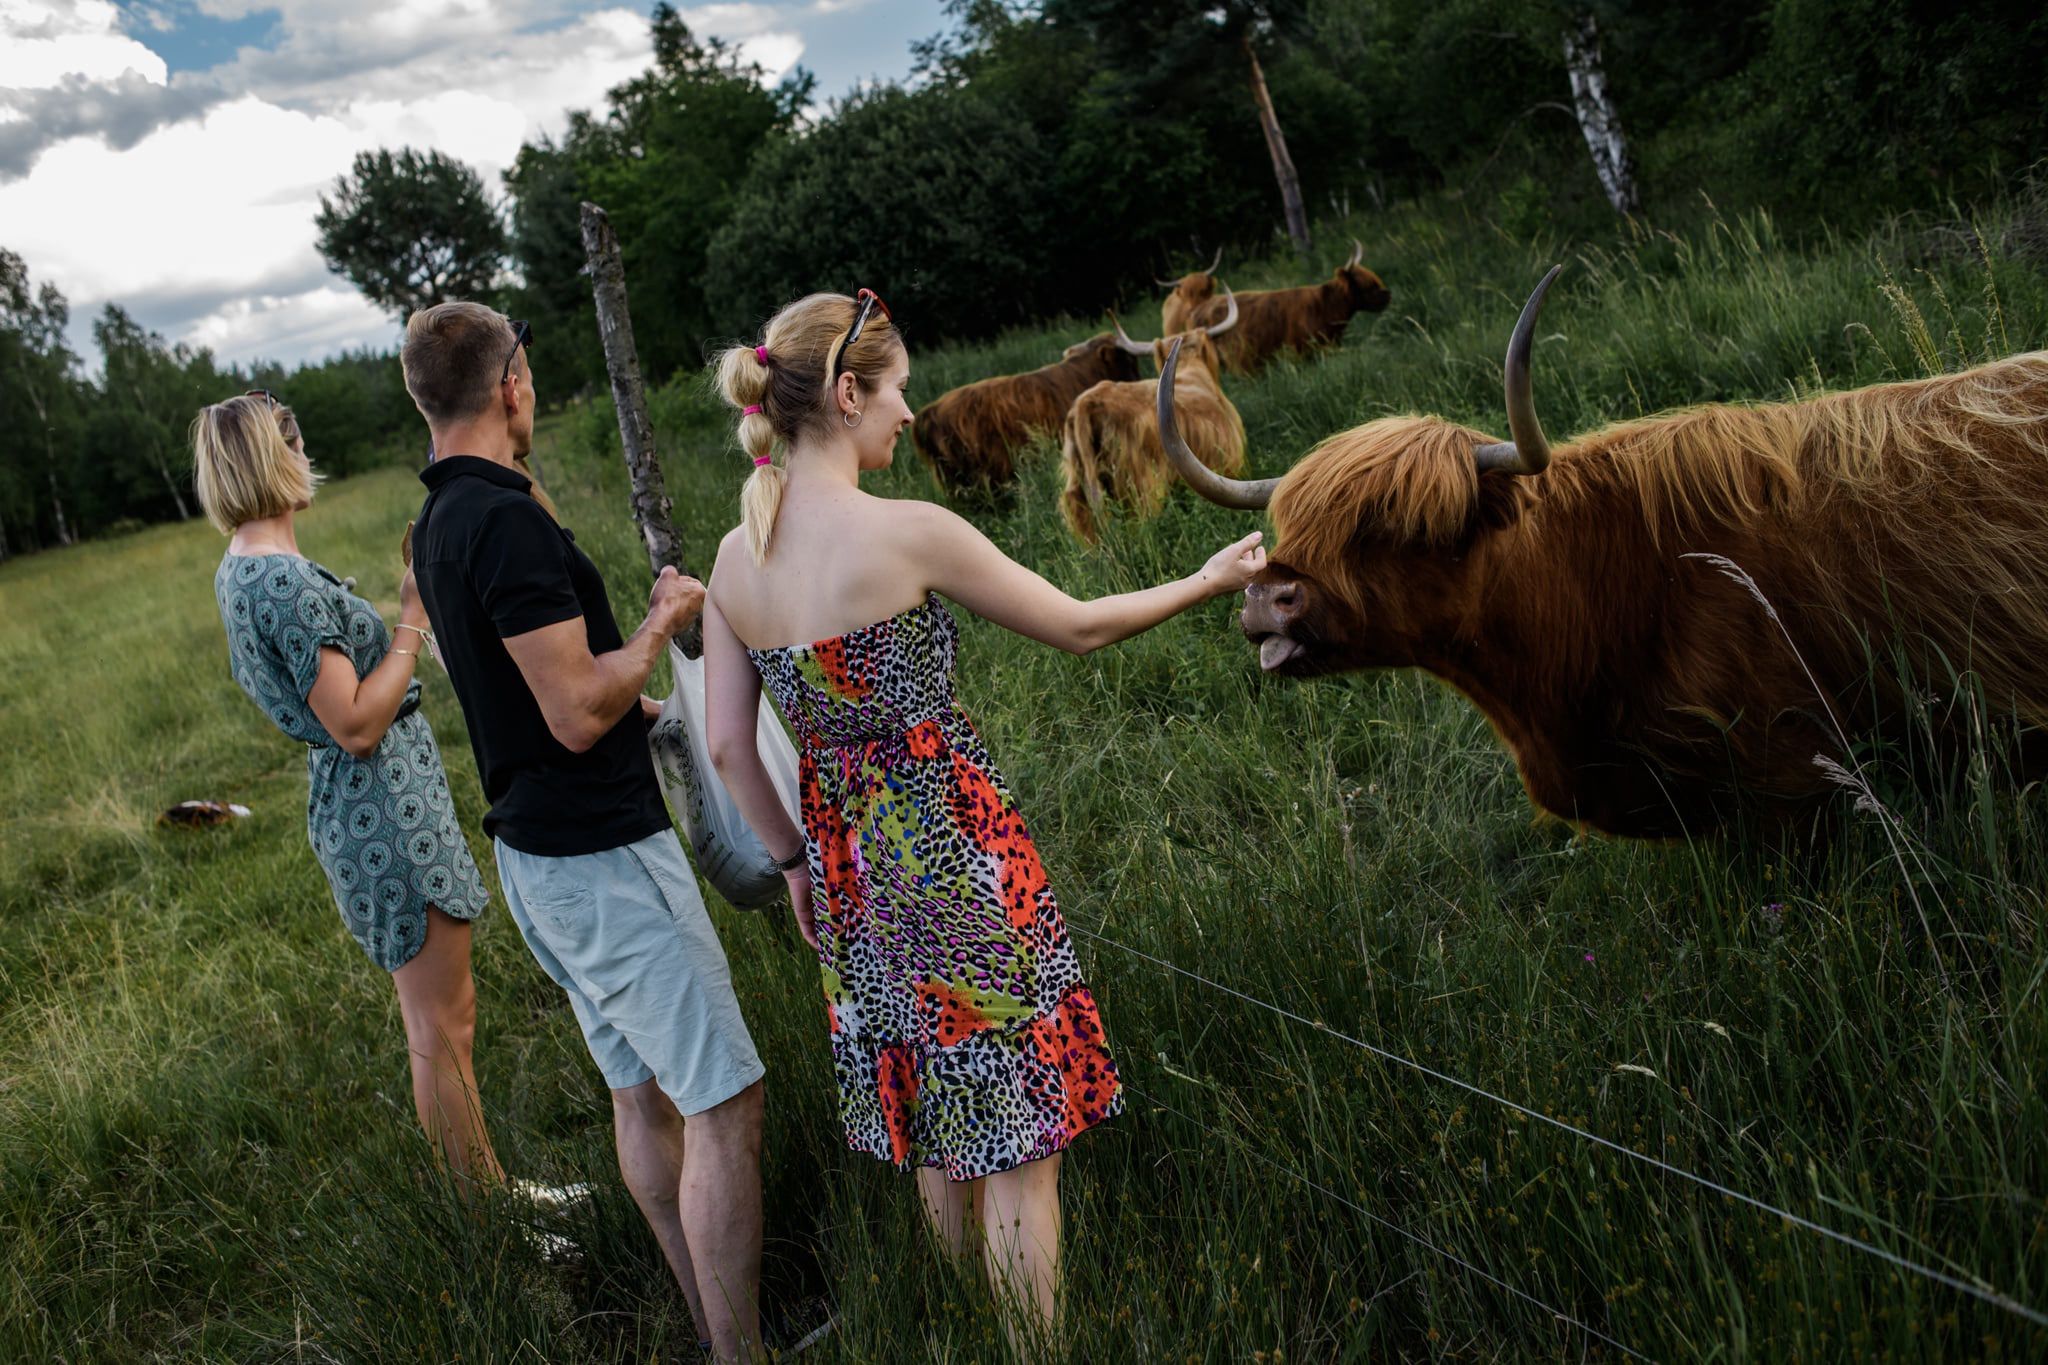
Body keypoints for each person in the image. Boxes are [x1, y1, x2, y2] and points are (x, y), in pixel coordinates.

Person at [699, 290, 1267, 1353]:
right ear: (848, 392)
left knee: (926, 1103)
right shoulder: (907, 532)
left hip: (847, 872)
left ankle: (955, 1327)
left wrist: (792, 866)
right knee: (1014, 1142)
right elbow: (1079, 628)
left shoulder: (736, 559)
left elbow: (730, 746)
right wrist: (1202, 577)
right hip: (953, 856)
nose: (909, 416)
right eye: (900, 391)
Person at [400, 305, 768, 1363]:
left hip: (536, 854)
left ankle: (710, 1330)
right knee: (726, 1101)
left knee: (639, 1089)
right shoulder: (503, 520)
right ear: (508, 382)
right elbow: (569, 708)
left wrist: (645, 714)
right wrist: (659, 621)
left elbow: (523, 696)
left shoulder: (442, 522)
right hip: (598, 860)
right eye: (525, 367)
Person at [193, 391, 513, 1197]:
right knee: (445, 1026)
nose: (307, 461)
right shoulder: (283, 583)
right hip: (384, 810)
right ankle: (484, 1215)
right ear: (280, 457)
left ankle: (487, 1196)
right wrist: (409, 617)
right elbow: (359, 723)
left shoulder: (243, 568)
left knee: (435, 1025)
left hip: (363, 808)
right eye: (295, 446)